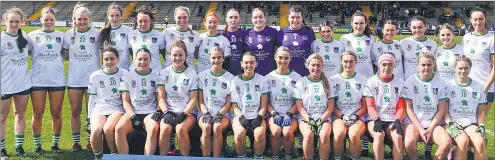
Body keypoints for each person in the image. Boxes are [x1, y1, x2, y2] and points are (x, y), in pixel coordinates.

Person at [26, 7, 65, 155]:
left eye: (51, 19)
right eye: (46, 19)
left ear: (55, 20)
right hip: (37, 79)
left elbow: (65, 54)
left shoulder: (61, 36)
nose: (48, 22)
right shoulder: (31, 36)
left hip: (57, 79)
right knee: (38, 112)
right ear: (40, 20)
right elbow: (28, 53)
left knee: (56, 113)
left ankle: (55, 145)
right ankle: (38, 146)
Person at [62, 3, 101, 152]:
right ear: (74, 19)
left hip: (92, 80)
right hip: (74, 79)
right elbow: (65, 55)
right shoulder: (68, 35)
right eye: (79, 19)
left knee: (91, 112)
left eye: (85, 19)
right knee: (75, 110)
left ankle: (91, 142)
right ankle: (76, 143)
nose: (82, 22)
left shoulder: (96, 34)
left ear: (89, 19)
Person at [402, 52, 452, 160]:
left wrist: (430, 128)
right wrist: (420, 129)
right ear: (418, 66)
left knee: (447, 142)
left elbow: (441, 110)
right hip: (413, 122)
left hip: (432, 122)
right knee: (409, 142)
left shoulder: (441, 83)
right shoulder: (410, 82)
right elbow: (408, 109)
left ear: (433, 65)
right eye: (423, 65)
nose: (426, 67)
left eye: (429, 65)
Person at [157, 41, 199, 156]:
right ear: (169, 56)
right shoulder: (163, 72)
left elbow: (193, 99)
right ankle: (163, 157)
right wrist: (165, 112)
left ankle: (185, 157)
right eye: (174, 55)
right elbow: (161, 97)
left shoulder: (192, 74)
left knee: (180, 129)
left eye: (180, 55)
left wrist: (184, 114)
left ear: (186, 56)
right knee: (165, 129)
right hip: (169, 111)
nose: (177, 58)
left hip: (187, 113)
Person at [115, 48, 160, 155]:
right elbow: (125, 101)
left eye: (145, 59)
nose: (142, 62)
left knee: (153, 128)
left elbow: (160, 97)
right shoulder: (127, 76)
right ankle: (124, 158)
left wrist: (158, 111)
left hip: (150, 112)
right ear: (135, 60)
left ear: (150, 60)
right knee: (119, 129)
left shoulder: (157, 75)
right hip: (133, 112)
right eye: (140, 59)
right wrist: (133, 116)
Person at [0, 7, 31, 158]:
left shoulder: (24, 35)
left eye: (17, 21)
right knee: (2, 117)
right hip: (5, 85)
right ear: (4, 22)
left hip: (23, 84)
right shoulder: (1, 39)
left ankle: (19, 147)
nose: (14, 24)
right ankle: (2, 149)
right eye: (11, 21)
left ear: (22, 23)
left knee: (20, 114)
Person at [444, 55, 488, 160]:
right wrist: (449, 123)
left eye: (466, 68)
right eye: (460, 68)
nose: (463, 70)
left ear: (470, 68)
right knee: (463, 141)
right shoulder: (447, 86)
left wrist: (481, 125)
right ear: (455, 68)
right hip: (453, 123)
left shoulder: (478, 87)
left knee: (480, 142)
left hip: (470, 124)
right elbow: (444, 111)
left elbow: (481, 111)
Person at [88, 47, 127, 159]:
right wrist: (89, 117)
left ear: (117, 59)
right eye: (106, 59)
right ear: (102, 60)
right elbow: (92, 98)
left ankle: (114, 156)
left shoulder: (124, 74)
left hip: (117, 108)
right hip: (99, 109)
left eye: (112, 58)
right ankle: (98, 156)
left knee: (107, 128)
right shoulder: (95, 75)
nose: (109, 62)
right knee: (95, 131)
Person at [365, 53, 406, 160]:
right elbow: (370, 105)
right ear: (379, 65)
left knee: (397, 136)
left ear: (394, 66)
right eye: (384, 64)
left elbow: (401, 106)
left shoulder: (400, 83)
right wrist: (376, 118)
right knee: (379, 135)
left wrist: (398, 120)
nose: (387, 67)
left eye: (390, 64)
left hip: (392, 119)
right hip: (375, 119)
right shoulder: (371, 81)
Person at [329, 51, 367, 160]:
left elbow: (365, 106)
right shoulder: (333, 80)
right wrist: (342, 116)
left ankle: (354, 158)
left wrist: (355, 116)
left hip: (358, 117)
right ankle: (337, 157)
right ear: (341, 62)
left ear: (356, 63)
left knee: (354, 134)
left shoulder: (363, 80)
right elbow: (332, 105)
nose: (348, 64)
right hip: (339, 116)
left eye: (351, 61)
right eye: (345, 61)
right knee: (339, 133)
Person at [294, 54, 333, 160]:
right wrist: (309, 120)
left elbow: (330, 108)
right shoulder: (301, 82)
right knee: (308, 135)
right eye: (313, 65)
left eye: (318, 65)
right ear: (308, 66)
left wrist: (321, 120)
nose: (316, 68)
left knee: (324, 135)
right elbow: (300, 107)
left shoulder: (329, 82)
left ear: (322, 66)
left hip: (323, 118)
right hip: (306, 118)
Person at [265, 46, 301, 159]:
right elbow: (265, 101)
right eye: (280, 57)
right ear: (275, 58)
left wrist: (289, 114)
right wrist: (274, 113)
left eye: (286, 58)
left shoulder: (297, 77)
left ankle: (288, 156)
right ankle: (275, 156)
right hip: (273, 114)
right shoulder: (268, 77)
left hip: (291, 115)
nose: (283, 61)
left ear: (290, 59)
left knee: (287, 131)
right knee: (275, 131)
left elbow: (298, 102)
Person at [231, 52, 269, 159]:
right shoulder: (235, 81)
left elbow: (263, 105)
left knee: (259, 134)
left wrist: (260, 117)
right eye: (246, 63)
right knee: (239, 133)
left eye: (252, 62)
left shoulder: (262, 80)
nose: (249, 65)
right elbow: (234, 105)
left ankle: (258, 157)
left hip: (257, 116)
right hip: (240, 116)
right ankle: (241, 157)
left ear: (256, 64)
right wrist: (241, 117)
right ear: (241, 64)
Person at [197, 47, 234, 157]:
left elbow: (229, 103)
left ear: (223, 59)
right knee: (207, 127)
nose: (216, 60)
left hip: (223, 114)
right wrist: (206, 113)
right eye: (213, 58)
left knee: (217, 127)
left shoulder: (230, 78)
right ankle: (206, 157)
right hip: (205, 112)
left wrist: (220, 113)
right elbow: (200, 101)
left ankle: (216, 157)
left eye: (219, 58)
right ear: (209, 58)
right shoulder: (202, 76)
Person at [462, 6, 494, 115]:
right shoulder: (466, 38)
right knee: (466, 121)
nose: (478, 22)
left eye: (481, 19)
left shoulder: (491, 38)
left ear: (486, 19)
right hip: (467, 86)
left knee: (479, 122)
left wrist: (486, 88)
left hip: (485, 87)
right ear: (470, 20)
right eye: (475, 19)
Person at [277, 5, 316, 76]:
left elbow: (313, 52)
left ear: (302, 18)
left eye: (298, 17)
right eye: (292, 17)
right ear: (288, 18)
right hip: (287, 75)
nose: (295, 20)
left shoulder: (309, 32)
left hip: (305, 74)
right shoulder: (281, 33)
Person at [128, 5, 165, 72]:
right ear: (136, 21)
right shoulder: (131, 35)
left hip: (154, 73)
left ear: (150, 21)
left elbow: (165, 56)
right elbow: (131, 53)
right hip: (136, 73)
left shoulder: (159, 35)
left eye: (146, 21)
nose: (143, 24)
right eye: (140, 21)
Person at [400, 16, 438, 80]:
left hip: (427, 81)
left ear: (425, 27)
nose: (417, 30)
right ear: (410, 28)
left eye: (420, 27)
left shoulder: (433, 44)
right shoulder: (403, 42)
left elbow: (435, 66)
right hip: (409, 82)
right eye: (414, 28)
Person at [99, 3, 133, 71]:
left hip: (124, 69)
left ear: (121, 16)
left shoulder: (129, 30)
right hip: (107, 69)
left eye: (117, 15)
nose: (115, 18)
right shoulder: (103, 30)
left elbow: (133, 52)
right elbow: (100, 51)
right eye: (112, 16)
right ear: (108, 16)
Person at [340, 11, 375, 78]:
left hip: (367, 76)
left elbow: (373, 58)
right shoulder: (344, 38)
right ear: (351, 24)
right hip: (350, 77)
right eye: (356, 23)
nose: (358, 26)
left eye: (361, 23)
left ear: (366, 24)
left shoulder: (371, 38)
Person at [245, 8, 278, 76]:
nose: (258, 20)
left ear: (265, 18)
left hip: (270, 73)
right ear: (252, 19)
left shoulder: (273, 32)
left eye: (260, 17)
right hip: (252, 73)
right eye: (255, 17)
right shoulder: (246, 34)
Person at [223, 8, 245, 76]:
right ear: (226, 19)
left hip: (241, 73)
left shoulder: (245, 34)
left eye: (236, 17)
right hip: (224, 73)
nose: (233, 20)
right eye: (230, 17)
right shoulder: (221, 35)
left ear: (239, 19)